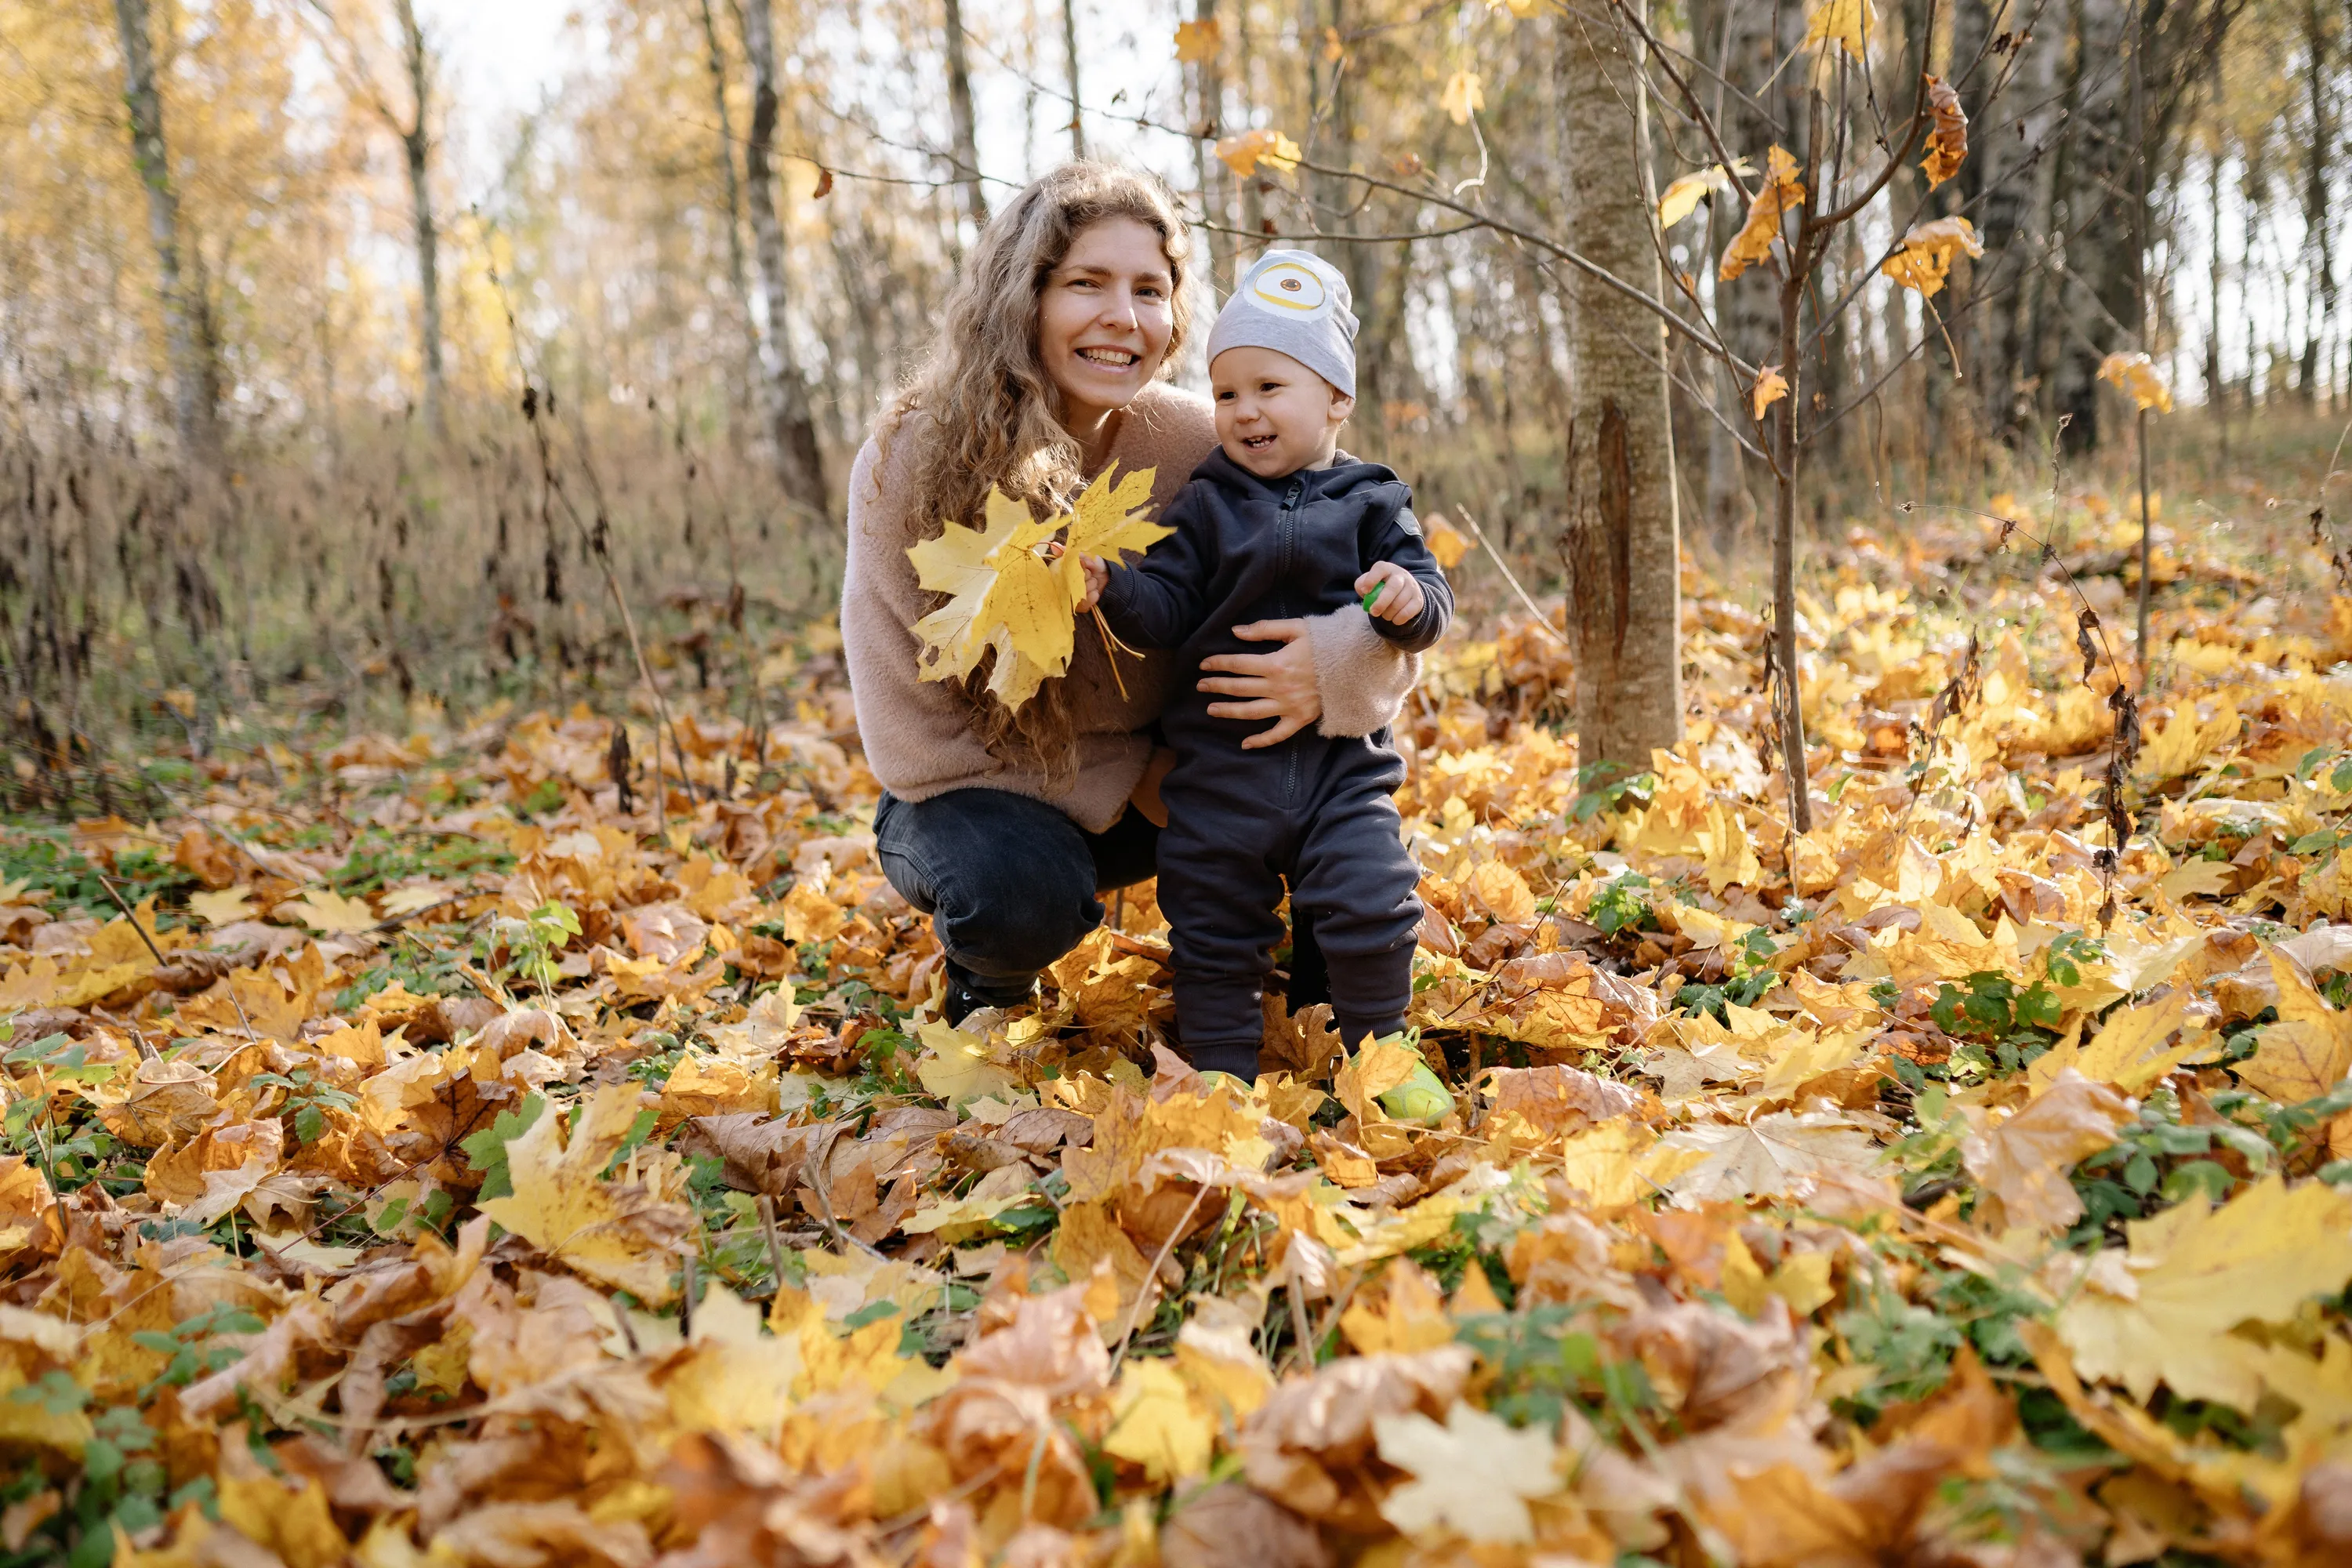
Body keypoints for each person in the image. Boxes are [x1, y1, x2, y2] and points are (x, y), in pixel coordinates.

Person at [841, 165, 1418, 1026]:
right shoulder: (911, 459)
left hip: (1176, 787)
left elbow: (1365, 554)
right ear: (1023, 297)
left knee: (1327, 790)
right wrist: (1141, 774)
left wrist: (1335, 666)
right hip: (974, 798)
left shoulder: (1198, 438)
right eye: (1087, 283)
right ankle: (990, 992)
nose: (1124, 316)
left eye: (1150, 290)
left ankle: (1325, 994)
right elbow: (913, 742)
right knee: (1018, 888)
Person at [1075, 249, 1453, 1115]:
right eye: (1226, 393)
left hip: (1341, 770)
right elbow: (1168, 607)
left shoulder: (1374, 502)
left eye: (1269, 387)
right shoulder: (1206, 503)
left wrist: (1404, 601)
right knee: (1210, 918)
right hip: (1220, 772)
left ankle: (1383, 1054)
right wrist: (1116, 588)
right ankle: (1220, 1071)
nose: (1244, 410)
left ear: (1337, 397)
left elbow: (1432, 602)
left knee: (1372, 896)